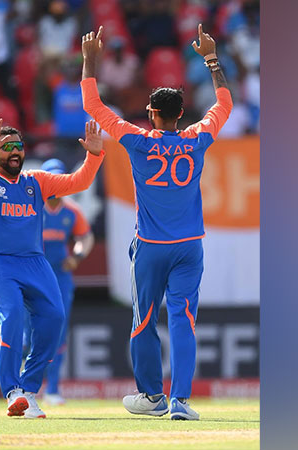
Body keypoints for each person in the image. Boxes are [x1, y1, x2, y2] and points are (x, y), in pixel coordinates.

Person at [80, 25, 232, 420]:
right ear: (181, 113)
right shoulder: (197, 138)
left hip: (150, 247)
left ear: (151, 113)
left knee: (144, 320)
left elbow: (93, 105)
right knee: (183, 321)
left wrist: (90, 60)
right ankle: (181, 400)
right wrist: (211, 59)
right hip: (189, 246)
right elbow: (224, 104)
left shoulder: (138, 140)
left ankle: (151, 397)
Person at [0, 117, 105, 418]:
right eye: (7, 147)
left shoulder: (36, 181)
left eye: (19, 146)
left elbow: (79, 182)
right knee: (12, 315)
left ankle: (28, 390)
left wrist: (94, 155)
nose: (14, 152)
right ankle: (12, 391)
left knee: (55, 317)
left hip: (35, 262)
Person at [22, 158, 95, 405]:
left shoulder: (72, 210)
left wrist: (77, 256)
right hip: (33, 274)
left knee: (58, 331)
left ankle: (52, 389)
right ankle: (22, 387)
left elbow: (85, 237)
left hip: (60, 276)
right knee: (27, 332)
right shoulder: (32, 207)